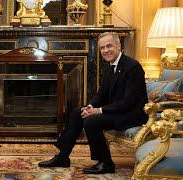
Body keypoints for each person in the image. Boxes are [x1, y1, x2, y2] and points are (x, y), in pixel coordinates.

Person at [38, 32, 148, 174]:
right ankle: (63, 156)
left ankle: (105, 163)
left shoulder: (133, 67)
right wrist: (90, 106)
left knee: (91, 121)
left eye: (109, 46)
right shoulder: (110, 67)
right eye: (102, 48)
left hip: (131, 114)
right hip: (117, 111)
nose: (105, 50)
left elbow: (128, 102)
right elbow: (101, 94)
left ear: (119, 46)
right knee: (78, 112)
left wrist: (99, 110)